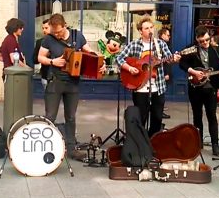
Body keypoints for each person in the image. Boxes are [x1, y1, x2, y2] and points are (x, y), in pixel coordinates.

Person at [38, 13, 105, 155]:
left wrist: (101, 63)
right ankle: (45, 146)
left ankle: (71, 148)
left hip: (73, 82)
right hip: (54, 82)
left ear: (65, 26)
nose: (57, 35)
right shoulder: (48, 39)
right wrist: (52, 61)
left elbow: (90, 52)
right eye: (54, 32)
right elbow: (40, 57)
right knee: (50, 116)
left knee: (71, 116)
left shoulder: (77, 36)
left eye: (59, 32)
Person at [116, 15, 180, 137]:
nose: (150, 30)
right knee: (141, 117)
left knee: (157, 117)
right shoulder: (134, 45)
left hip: (158, 86)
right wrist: (129, 68)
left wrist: (174, 58)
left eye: (151, 27)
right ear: (140, 31)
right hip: (140, 86)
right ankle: (141, 143)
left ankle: (152, 142)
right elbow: (118, 58)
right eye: (146, 28)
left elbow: (169, 59)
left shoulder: (160, 44)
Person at [180, 25, 219, 156]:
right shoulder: (191, 49)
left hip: (211, 87)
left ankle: (215, 144)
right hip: (195, 88)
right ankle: (198, 142)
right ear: (196, 39)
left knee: (212, 116)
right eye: (201, 41)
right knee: (197, 116)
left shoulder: (217, 50)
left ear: (209, 37)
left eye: (206, 40)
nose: (205, 43)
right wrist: (193, 71)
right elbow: (182, 64)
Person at [33, 19, 51, 90]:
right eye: (43, 28)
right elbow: (34, 60)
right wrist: (42, 56)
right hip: (45, 75)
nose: (44, 30)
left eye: (46, 28)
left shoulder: (59, 41)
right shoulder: (40, 42)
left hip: (57, 77)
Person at [159, 28, 172, 119]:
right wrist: (166, 73)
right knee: (161, 93)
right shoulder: (161, 44)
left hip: (162, 72)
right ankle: (160, 111)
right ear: (162, 35)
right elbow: (164, 61)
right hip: (161, 73)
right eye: (167, 35)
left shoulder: (164, 44)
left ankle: (160, 110)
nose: (169, 37)